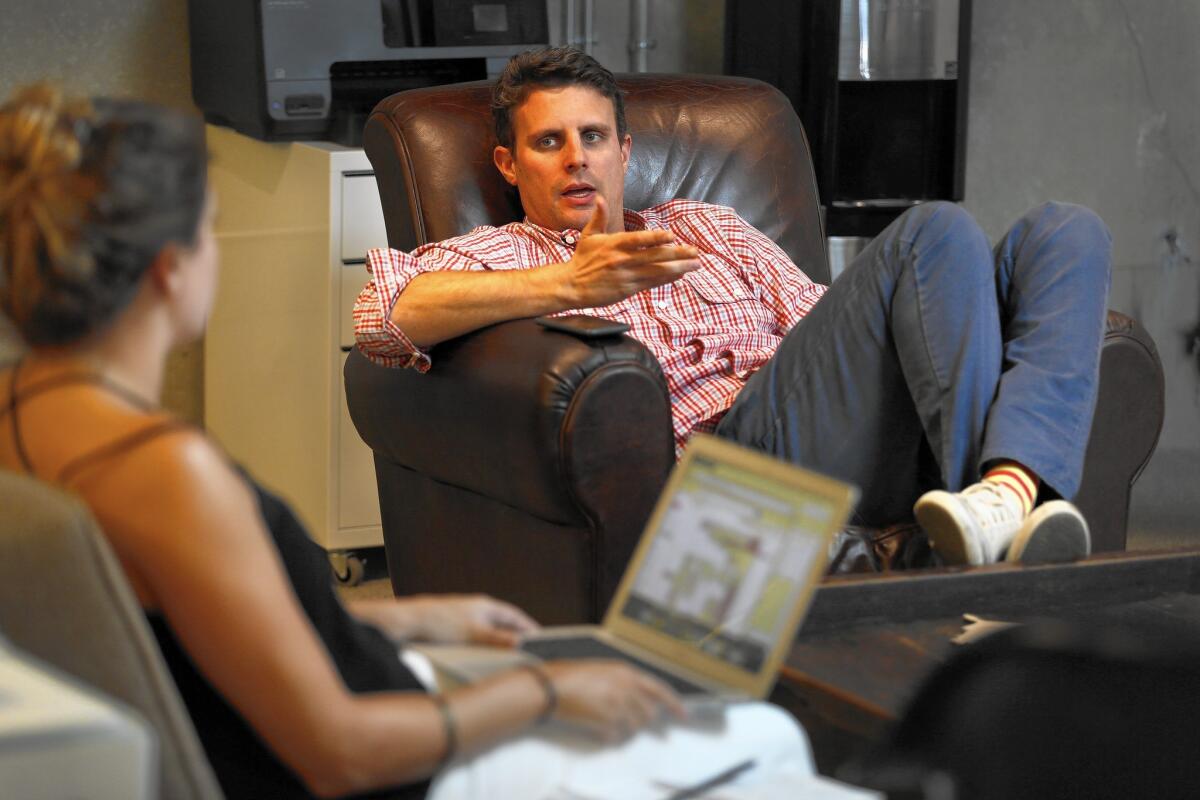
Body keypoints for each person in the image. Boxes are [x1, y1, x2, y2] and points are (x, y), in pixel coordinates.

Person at [0, 85, 836, 799]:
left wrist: (425, 619)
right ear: (169, 269)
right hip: (413, 770)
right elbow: (338, 752)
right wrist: (546, 691)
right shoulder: (169, 473)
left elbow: (198, 627)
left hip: (374, 698)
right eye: (211, 230)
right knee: (766, 738)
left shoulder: (27, 421)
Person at [354, 47, 1112, 567]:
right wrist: (568, 286)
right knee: (935, 230)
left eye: (592, 136)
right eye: (548, 142)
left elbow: (831, 324)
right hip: (733, 465)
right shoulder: (507, 253)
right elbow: (383, 318)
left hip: (832, 429)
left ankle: (1004, 494)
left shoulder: (705, 224)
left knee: (1066, 232)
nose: (576, 156)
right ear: (509, 164)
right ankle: (1009, 503)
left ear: (624, 149)